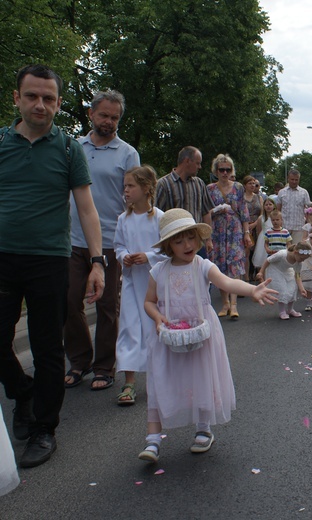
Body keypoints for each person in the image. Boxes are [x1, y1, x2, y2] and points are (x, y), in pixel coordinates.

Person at [0, 64, 105, 468]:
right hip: (3, 258)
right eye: (32, 96)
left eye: (48, 98)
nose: (40, 105)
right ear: (17, 99)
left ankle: (44, 429)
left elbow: (86, 208)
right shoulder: (2, 143)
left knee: (46, 348)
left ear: (59, 104)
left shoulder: (68, 149)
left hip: (49, 260)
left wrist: (97, 262)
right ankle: (21, 390)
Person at [139, 209, 276, 462]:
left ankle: (203, 429)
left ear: (198, 239)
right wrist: (157, 317)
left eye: (191, 238)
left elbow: (227, 282)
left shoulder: (203, 266)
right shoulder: (158, 271)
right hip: (168, 336)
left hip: (201, 335)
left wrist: (252, 290)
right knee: (160, 382)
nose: (187, 245)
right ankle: (153, 440)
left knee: (200, 378)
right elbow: (149, 302)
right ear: (168, 245)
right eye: (178, 241)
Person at [64, 89, 140, 391]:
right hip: (71, 239)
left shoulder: (127, 153)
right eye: (104, 115)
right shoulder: (72, 147)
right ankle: (79, 361)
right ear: (91, 114)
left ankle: (104, 366)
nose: (109, 122)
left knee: (108, 305)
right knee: (69, 302)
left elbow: (134, 198)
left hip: (110, 240)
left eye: (115, 117)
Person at [113, 165, 165, 406]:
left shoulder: (161, 218)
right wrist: (123, 256)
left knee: (155, 330)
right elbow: (118, 245)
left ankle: (161, 379)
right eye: (125, 186)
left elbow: (167, 250)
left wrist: (148, 256)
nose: (126, 190)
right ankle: (129, 382)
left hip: (155, 287)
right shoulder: (123, 219)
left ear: (146, 189)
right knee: (129, 329)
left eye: (130, 186)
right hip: (133, 284)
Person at [207, 154, 252, 320]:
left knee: (235, 264)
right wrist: (217, 210)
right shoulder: (210, 189)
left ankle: (234, 304)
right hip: (217, 230)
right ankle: (224, 302)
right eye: (221, 170)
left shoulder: (238, 187)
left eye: (228, 169)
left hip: (234, 229)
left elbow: (244, 212)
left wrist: (247, 233)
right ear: (216, 171)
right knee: (220, 266)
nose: (225, 173)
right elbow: (206, 211)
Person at [155, 146, 215, 257]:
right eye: (197, 163)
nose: (200, 167)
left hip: (197, 243)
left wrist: (208, 239)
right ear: (187, 161)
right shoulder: (163, 184)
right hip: (174, 244)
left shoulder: (199, 184)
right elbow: (156, 216)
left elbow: (206, 212)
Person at [256, 242, 312, 320]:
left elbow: (297, 275)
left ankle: (290, 309)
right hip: (275, 270)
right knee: (282, 289)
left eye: (304, 259)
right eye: (302, 258)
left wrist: (302, 288)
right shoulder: (282, 254)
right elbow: (268, 260)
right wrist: (261, 272)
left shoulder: (298, 262)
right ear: (295, 252)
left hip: (286, 271)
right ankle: (282, 311)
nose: (302, 261)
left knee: (292, 289)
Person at [277, 169, 311, 244]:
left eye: (296, 180)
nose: (294, 181)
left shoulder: (304, 192)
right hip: (285, 226)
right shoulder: (281, 192)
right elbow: (278, 210)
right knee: (284, 251)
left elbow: (309, 209)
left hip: (299, 227)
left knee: (297, 250)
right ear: (288, 179)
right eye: (292, 179)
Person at [242, 175, 264, 281]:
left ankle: (256, 273)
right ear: (245, 185)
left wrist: (255, 224)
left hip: (256, 226)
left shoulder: (258, 197)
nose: (252, 185)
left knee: (256, 251)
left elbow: (262, 213)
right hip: (244, 226)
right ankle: (246, 276)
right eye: (250, 183)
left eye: (253, 183)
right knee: (246, 252)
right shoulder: (241, 197)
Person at [252, 198, 277, 269]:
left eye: (270, 204)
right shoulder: (261, 218)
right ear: (263, 206)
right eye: (266, 205)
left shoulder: (276, 217)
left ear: (274, 206)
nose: (268, 206)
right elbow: (259, 230)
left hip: (274, 238)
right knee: (262, 257)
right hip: (263, 239)